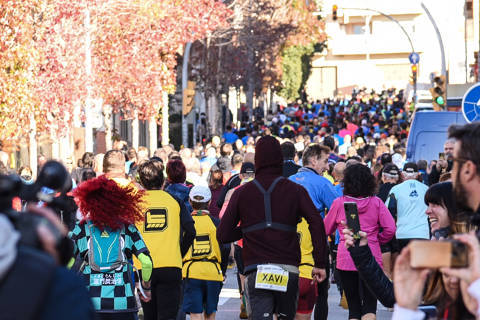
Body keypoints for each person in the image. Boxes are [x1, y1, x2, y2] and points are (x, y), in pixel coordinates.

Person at [217, 135, 328, 320]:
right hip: (289, 266)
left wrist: (248, 228)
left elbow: (223, 234)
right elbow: (316, 223)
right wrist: (320, 263)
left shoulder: (241, 193)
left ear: (257, 161)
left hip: (256, 268)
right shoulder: (295, 190)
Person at [70, 175, 153, 320]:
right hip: (123, 305)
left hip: (90, 304)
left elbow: (66, 261)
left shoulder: (81, 228)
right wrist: (146, 289)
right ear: (118, 201)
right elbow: (146, 262)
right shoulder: (128, 228)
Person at [324, 163, 396, 320]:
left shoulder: (338, 203)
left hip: (346, 257)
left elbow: (326, 229)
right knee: (370, 306)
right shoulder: (376, 202)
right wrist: (377, 240)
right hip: (371, 258)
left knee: (354, 307)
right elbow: (390, 228)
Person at [136, 159, 196, 320]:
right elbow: (191, 230)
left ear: (141, 182)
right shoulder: (175, 201)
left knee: (149, 315)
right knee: (168, 315)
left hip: (144, 267)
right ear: (163, 181)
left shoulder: (136, 202)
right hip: (171, 264)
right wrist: (179, 252)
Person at [288, 144, 338, 320]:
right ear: (313, 159)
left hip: (288, 246)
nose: (327, 166)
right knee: (321, 294)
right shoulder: (323, 183)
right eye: (325, 161)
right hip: (314, 245)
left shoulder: (288, 180)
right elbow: (337, 211)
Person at [182, 186, 227, 320]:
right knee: (210, 313)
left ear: (190, 201)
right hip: (213, 272)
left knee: (195, 313)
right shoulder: (217, 224)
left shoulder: (185, 223)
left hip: (191, 272)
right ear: (209, 202)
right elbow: (226, 249)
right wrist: (222, 270)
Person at [386, 162, 429, 251]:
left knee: (404, 263)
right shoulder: (427, 189)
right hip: (422, 233)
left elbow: (388, 211)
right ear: (417, 174)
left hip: (402, 234)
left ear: (402, 174)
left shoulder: (395, 189)